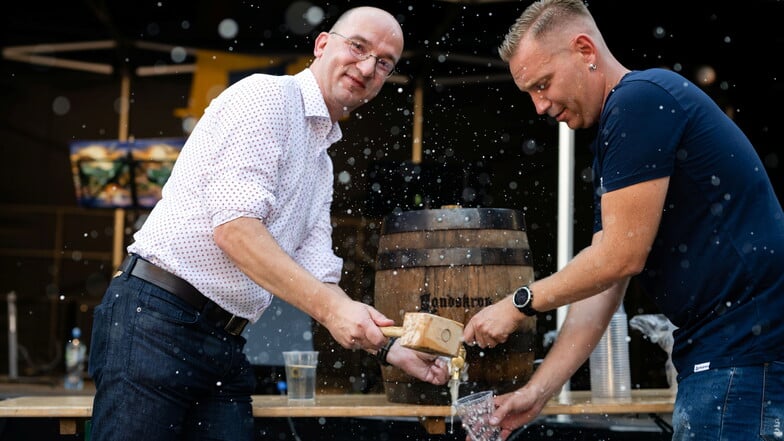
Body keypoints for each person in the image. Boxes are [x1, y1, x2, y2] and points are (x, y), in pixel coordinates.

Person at [88, 6, 450, 441]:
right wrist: (334, 309)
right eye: (358, 47)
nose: (368, 66)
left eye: (384, 63)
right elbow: (235, 230)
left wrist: (392, 349)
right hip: (157, 318)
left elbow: (320, 277)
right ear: (321, 45)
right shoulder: (267, 98)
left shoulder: (321, 165)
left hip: (223, 341)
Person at [463, 1, 784, 440]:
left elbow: (621, 258)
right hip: (733, 352)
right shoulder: (626, 118)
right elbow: (607, 278)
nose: (539, 107)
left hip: (744, 352)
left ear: (584, 49)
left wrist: (518, 302)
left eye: (543, 85)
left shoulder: (639, 101)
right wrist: (538, 392)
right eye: (530, 94)